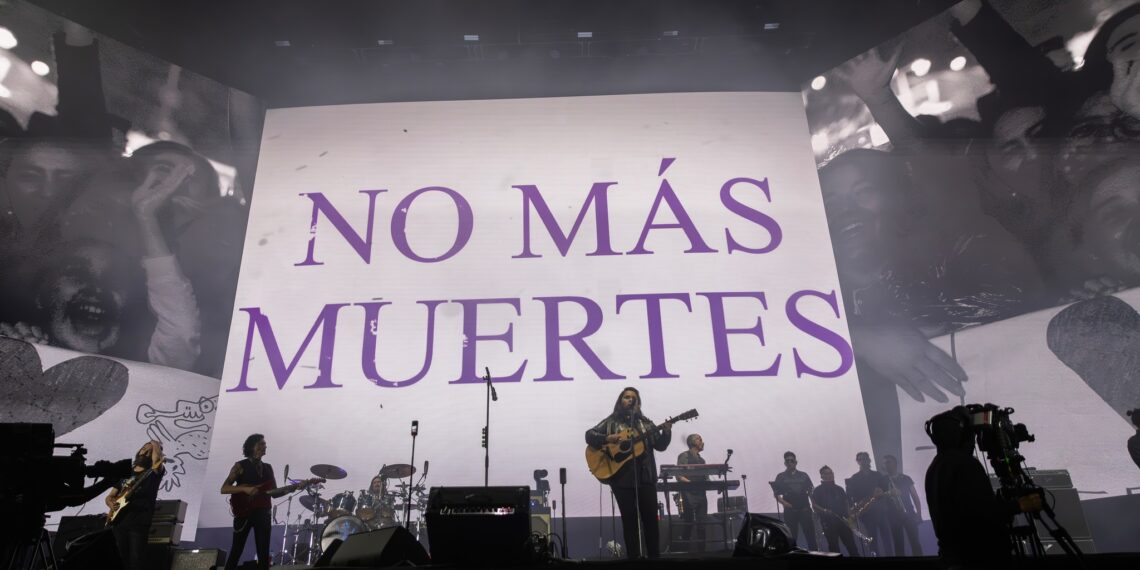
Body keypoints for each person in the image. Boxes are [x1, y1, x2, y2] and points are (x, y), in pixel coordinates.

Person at [924, 408, 1042, 568]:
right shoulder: (964, 464)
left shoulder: (936, 466)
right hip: (979, 559)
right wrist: (1020, 505)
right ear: (961, 434)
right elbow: (983, 514)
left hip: (956, 558)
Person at [585, 387, 673, 558]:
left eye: (634, 398)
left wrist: (667, 431)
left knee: (650, 520)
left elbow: (660, 446)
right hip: (621, 479)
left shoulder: (646, 424)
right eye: (626, 397)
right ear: (620, 401)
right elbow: (589, 435)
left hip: (645, 477)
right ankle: (633, 559)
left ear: (638, 403)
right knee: (629, 520)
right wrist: (607, 438)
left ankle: (654, 558)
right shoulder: (611, 422)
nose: (630, 400)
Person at [107, 440, 165, 570]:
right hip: (118, 522)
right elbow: (110, 496)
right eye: (144, 448)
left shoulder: (153, 473)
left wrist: (155, 443)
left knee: (136, 561)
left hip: (138, 524)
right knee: (118, 559)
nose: (145, 452)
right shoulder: (126, 472)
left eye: (150, 451)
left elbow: (157, 460)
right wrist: (110, 503)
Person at [220, 434, 274, 570]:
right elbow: (224, 488)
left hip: (263, 513)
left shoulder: (268, 467)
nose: (265, 446)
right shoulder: (240, 465)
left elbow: (275, 493)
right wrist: (245, 489)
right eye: (261, 444)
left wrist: (294, 488)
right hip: (244, 512)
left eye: (264, 444)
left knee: (263, 554)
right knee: (236, 550)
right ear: (252, 447)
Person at [845, 451, 900, 556]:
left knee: (887, 539)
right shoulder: (854, 478)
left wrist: (882, 493)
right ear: (857, 461)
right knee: (872, 540)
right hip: (867, 514)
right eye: (860, 459)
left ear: (869, 460)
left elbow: (885, 491)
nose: (863, 461)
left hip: (881, 512)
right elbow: (851, 496)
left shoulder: (877, 475)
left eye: (865, 458)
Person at [811, 465, 860, 556]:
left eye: (831, 473)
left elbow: (846, 504)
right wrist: (825, 511)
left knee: (851, 546)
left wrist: (850, 518)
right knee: (834, 548)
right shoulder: (818, 490)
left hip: (843, 521)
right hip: (828, 523)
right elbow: (814, 505)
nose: (830, 475)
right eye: (826, 473)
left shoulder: (839, 489)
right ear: (822, 476)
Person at [773, 451, 817, 550]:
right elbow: (776, 494)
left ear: (796, 462)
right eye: (787, 461)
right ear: (785, 463)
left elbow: (810, 491)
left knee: (810, 536)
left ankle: (815, 558)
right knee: (791, 538)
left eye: (791, 460)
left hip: (805, 509)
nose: (789, 463)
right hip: (790, 511)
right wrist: (784, 503)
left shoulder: (804, 475)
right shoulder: (780, 476)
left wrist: (814, 505)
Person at [882, 454, 923, 556]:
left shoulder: (906, 478)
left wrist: (919, 514)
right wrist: (889, 493)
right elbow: (877, 495)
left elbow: (915, 497)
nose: (886, 465)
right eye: (884, 463)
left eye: (888, 462)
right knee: (898, 545)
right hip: (893, 516)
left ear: (895, 463)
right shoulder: (883, 480)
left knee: (915, 543)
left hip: (909, 513)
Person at [675, 434, 708, 552]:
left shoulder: (702, 460)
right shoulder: (684, 456)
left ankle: (702, 552)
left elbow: (706, 477)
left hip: (701, 494)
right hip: (688, 493)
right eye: (700, 439)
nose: (702, 441)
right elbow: (679, 475)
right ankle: (684, 551)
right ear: (693, 442)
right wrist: (690, 484)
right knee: (688, 522)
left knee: (702, 524)